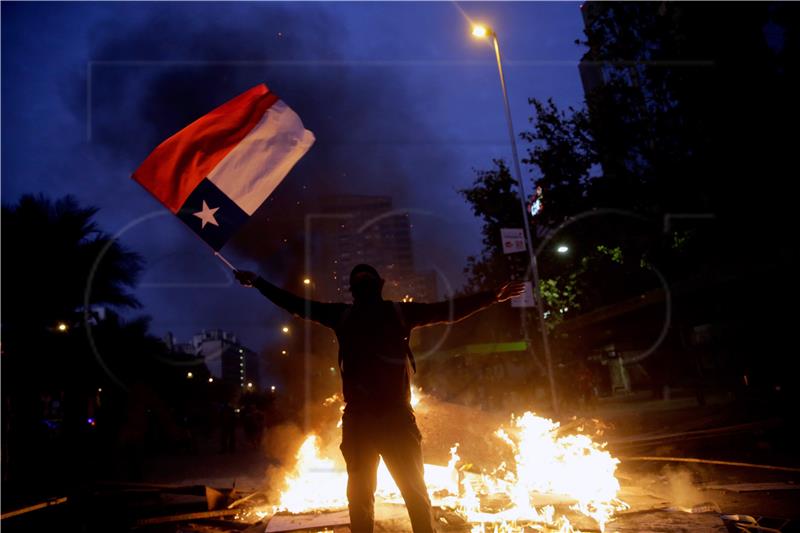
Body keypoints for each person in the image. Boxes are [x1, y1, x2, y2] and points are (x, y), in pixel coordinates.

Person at [235, 264, 525, 533]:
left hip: (363, 422)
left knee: (363, 497)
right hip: (392, 421)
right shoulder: (398, 313)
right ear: (380, 285)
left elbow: (297, 305)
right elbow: (448, 311)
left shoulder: (342, 315)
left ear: (353, 290)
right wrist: (491, 297)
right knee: (413, 493)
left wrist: (259, 282)